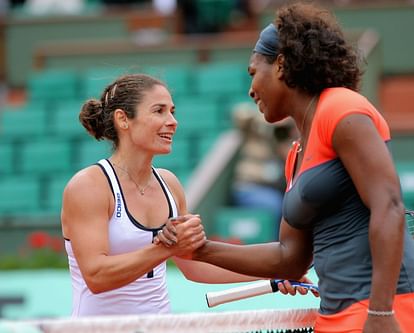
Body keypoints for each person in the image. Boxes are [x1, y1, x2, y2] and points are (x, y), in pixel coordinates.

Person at [186, 3, 414, 332]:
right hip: (339, 315)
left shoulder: (341, 106)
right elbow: (290, 259)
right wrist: (199, 250)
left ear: (281, 64)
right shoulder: (296, 155)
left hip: (398, 309)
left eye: (253, 73)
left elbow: (388, 206)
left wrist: (380, 312)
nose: (250, 89)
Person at [62, 73, 311, 316]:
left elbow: (194, 265)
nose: (172, 121)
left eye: (172, 111)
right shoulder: (89, 185)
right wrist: (165, 249)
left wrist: (276, 272)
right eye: (159, 111)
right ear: (123, 119)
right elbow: (97, 276)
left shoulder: (169, 184)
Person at [231, 102, 296, 237]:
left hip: (273, 188)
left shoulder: (286, 142)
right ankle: (275, 244)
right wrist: (266, 121)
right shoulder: (254, 133)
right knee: (274, 203)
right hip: (249, 187)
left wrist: (282, 139)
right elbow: (240, 115)